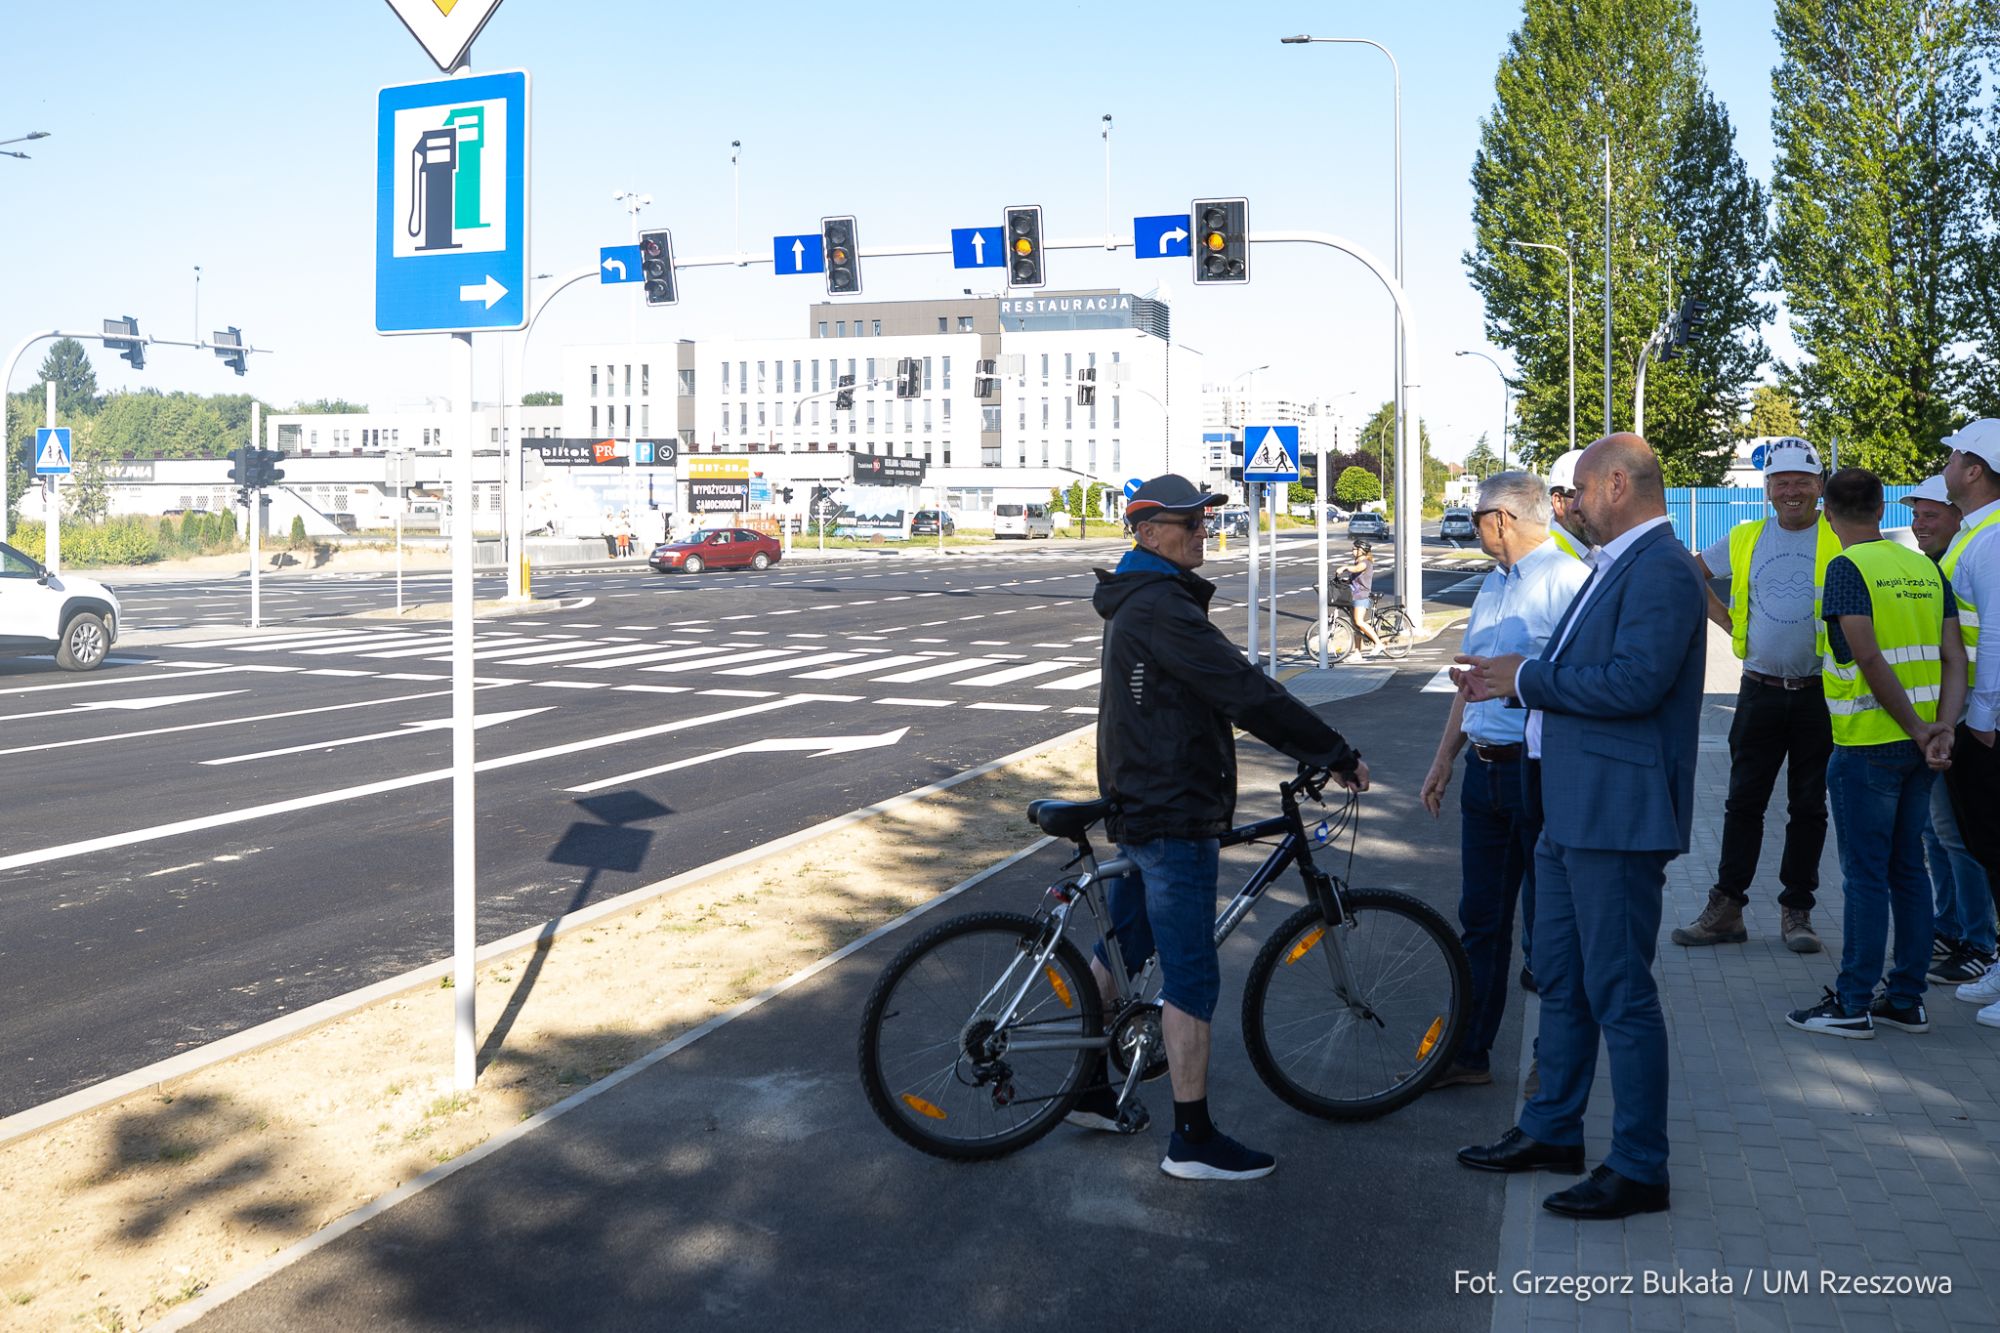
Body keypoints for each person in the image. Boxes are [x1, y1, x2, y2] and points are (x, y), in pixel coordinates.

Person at [1084, 473, 1369, 1181]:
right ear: (1148, 533)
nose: (1202, 529)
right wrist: (1330, 751)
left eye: (1204, 518)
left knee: (1123, 945)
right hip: (1170, 810)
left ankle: (1087, 1087)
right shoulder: (1160, 607)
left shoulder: (1144, 598)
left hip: (1144, 799)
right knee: (1190, 977)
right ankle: (1192, 1138)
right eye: (1188, 522)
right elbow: (1246, 692)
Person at [1453, 433, 1706, 1221]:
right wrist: (1515, 676)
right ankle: (1553, 1128)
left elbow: (1635, 682)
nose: (1569, 506)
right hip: (1572, 808)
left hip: (1617, 815)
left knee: (1620, 992)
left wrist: (1527, 678)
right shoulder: (1616, 563)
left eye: (1580, 491)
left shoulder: (1661, 567)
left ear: (1619, 485)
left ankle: (1639, 1165)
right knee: (1561, 978)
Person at [1420, 472, 1588, 1089]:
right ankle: (1468, 1054)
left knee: (1549, 929)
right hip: (1484, 775)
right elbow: (1472, 682)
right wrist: (1444, 759)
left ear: (1503, 519)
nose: (1473, 526)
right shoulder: (1494, 583)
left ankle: (1555, 1058)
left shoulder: (1568, 582)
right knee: (1481, 923)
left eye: (1476, 516)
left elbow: (1580, 682)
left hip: (1539, 775)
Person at [1781, 468, 1961, 1039]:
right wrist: (1942, 730)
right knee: (1908, 870)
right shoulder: (1924, 567)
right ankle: (1906, 999)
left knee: (1865, 878)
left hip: (1869, 746)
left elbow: (1868, 658)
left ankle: (1853, 1003)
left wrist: (1914, 728)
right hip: (1922, 747)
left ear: (1828, 514)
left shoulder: (1846, 568)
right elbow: (1954, 658)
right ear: (1883, 510)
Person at [1673, 438, 1840, 954]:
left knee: (1809, 807)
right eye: (1781, 482)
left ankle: (1798, 910)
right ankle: (1727, 909)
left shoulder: (1840, 539)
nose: (1791, 491)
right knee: (1743, 803)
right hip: (1759, 690)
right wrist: (1729, 625)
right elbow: (1690, 573)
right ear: (1767, 489)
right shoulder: (1746, 537)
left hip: (1821, 695)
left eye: (1801, 482)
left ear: (1819, 488)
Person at [1899, 477, 1997, 986]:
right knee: (1938, 834)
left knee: (1961, 838)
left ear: (1958, 515)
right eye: (1915, 515)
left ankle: (1978, 941)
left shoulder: (1972, 558)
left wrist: (1976, 713)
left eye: (1930, 514)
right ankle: (1952, 924)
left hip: (1966, 722)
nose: (1919, 524)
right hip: (1944, 719)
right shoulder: (1930, 567)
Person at [1939, 420, 2000, 1026]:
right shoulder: (1980, 534)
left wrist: (1982, 716)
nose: (1950, 463)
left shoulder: (1992, 539)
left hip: (1987, 724)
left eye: (1957, 455)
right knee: (1985, 843)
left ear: (1975, 468)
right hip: (1977, 719)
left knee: (1994, 841)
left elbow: (1998, 634)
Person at [1336, 539, 1387, 656]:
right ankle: (1357, 653)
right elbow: (1357, 578)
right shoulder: (1358, 561)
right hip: (1354, 595)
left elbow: (1357, 569)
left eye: (1354, 549)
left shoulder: (1365, 562)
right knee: (1355, 625)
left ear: (1361, 550)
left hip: (1361, 596)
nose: (1352, 551)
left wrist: (1344, 568)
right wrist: (1347, 580)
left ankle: (1378, 643)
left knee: (1359, 621)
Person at [1543, 449, 1590, 562]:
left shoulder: (1594, 550)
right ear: (1558, 502)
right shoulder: (1549, 556)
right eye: (1583, 495)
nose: (1597, 506)